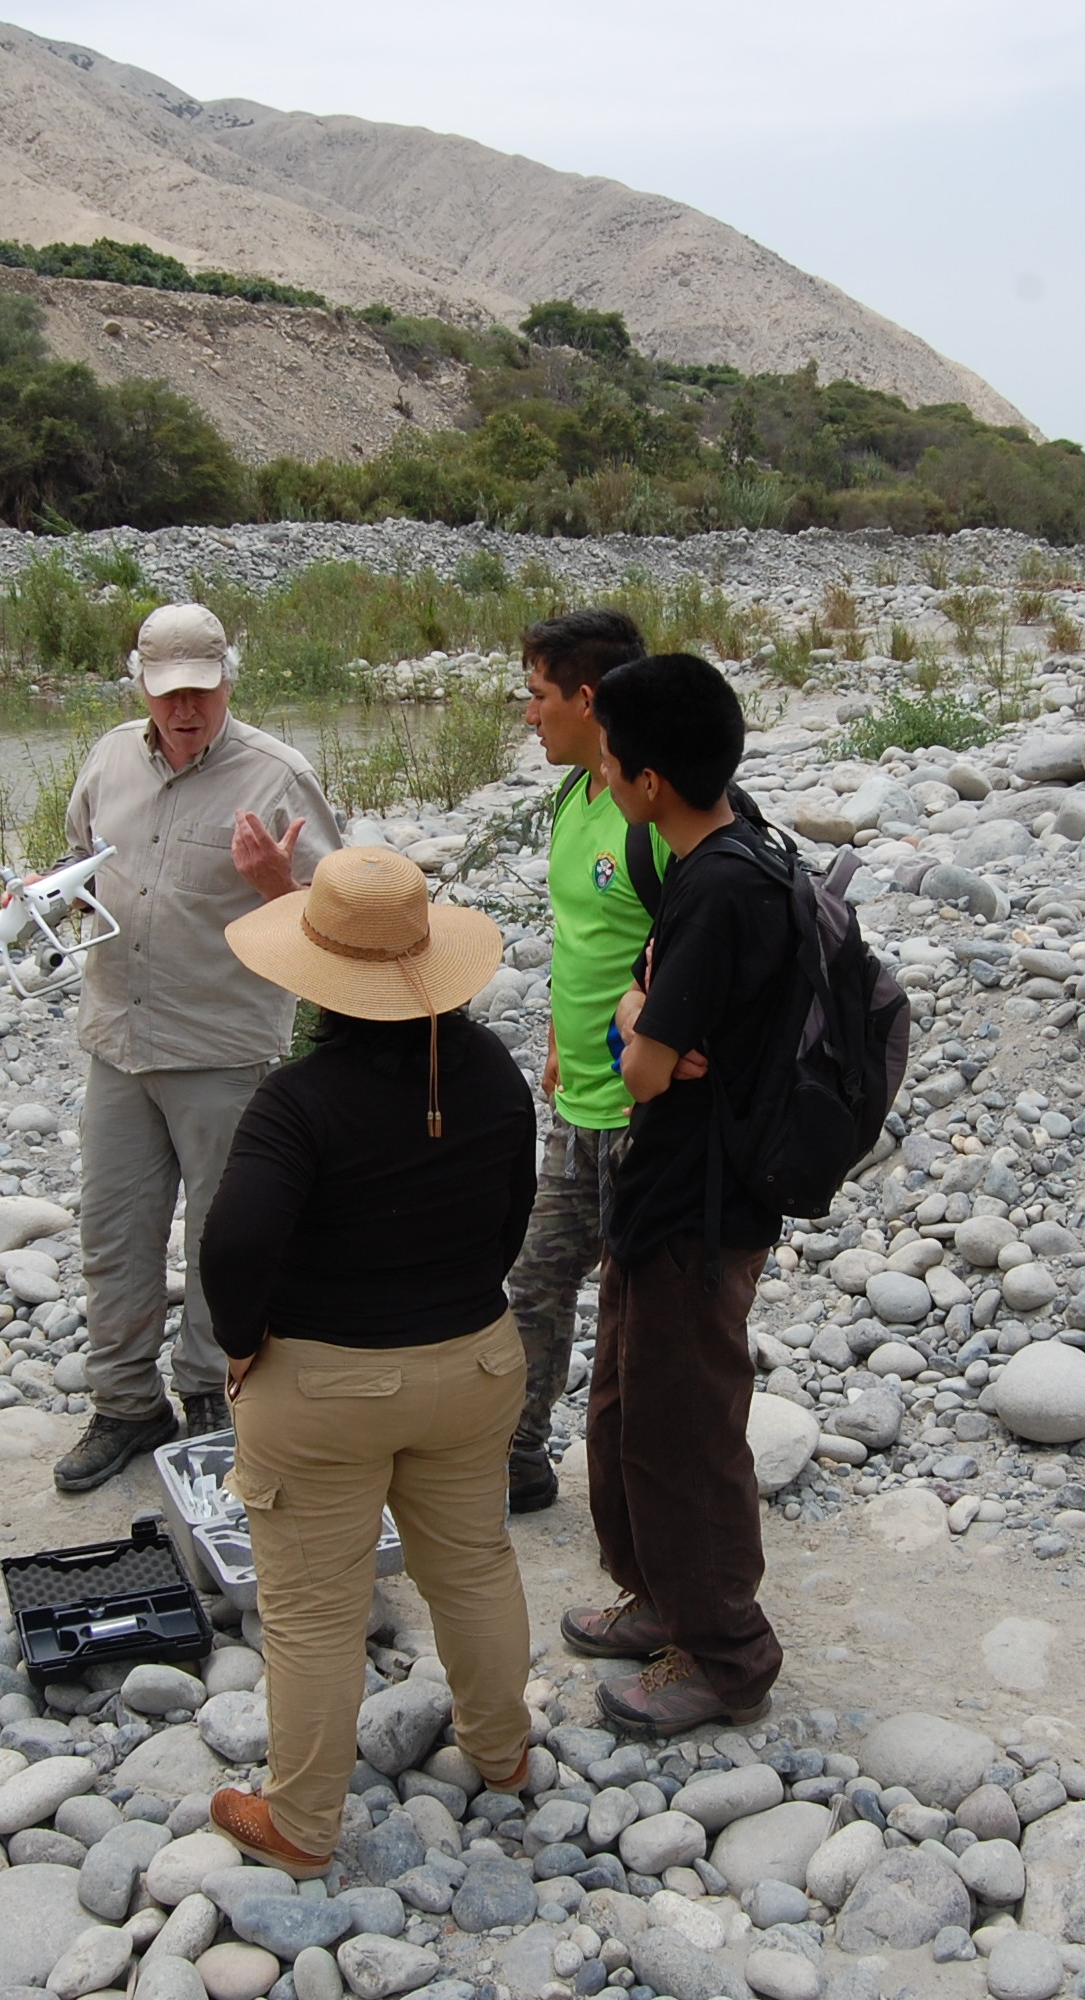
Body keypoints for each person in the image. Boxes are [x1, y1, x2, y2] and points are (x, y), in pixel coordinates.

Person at [197, 847, 538, 1875]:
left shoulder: (295, 1099)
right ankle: (502, 1752)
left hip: (325, 1384)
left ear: (316, 977)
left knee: (311, 1610)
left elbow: (232, 1245)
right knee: (473, 1561)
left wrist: (243, 1338)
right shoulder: (490, 1071)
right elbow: (511, 1212)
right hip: (475, 1361)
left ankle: (300, 1823)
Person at [52, 602, 343, 1496]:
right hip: (116, 1039)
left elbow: (341, 914)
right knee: (112, 1234)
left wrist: (274, 885)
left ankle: (212, 1390)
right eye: (169, 692)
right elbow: (78, 859)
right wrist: (52, 894)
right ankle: (125, 1405)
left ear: (229, 678)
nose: (185, 710)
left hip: (222, 1047)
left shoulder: (278, 775)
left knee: (224, 1239)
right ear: (140, 682)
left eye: (202, 692)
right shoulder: (108, 757)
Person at [565, 654, 793, 1734]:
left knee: (683, 1427)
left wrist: (629, 1018)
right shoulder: (722, 844)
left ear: (650, 780)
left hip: (698, 1210)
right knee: (624, 1403)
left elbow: (644, 1066)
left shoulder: (717, 886)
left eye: (610, 761)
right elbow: (654, 1034)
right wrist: (641, 1007)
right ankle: (655, 1595)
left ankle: (725, 1654)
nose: (601, 776)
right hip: (663, 1194)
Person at [504, 608, 655, 1513]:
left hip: (647, 1112)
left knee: (640, 1314)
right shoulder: (574, 798)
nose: (529, 717)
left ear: (588, 699)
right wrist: (561, 1037)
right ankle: (519, 1458)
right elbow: (583, 934)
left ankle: (641, 1492)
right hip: (579, 1104)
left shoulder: (650, 809)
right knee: (534, 1279)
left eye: (537, 695)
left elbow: (691, 945)